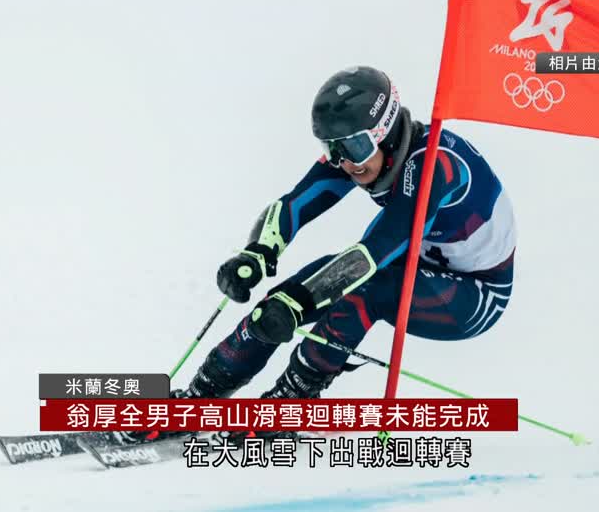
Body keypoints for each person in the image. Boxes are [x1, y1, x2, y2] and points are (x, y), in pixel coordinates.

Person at [143, 65, 516, 442]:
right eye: (331, 148)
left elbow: (376, 250)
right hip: (415, 261)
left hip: (476, 292)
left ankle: (290, 405)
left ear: (385, 134)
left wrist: (299, 302)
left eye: (354, 147)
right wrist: (257, 253)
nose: (345, 163)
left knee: (361, 292)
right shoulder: (357, 156)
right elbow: (295, 204)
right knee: (277, 302)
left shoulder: (436, 165)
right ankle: (196, 402)